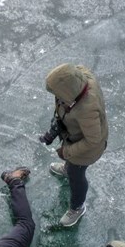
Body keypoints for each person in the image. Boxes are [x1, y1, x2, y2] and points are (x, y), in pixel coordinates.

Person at [42, 63, 108, 227]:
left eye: (58, 93)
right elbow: (79, 68)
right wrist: (55, 130)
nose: (56, 96)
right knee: (71, 166)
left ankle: (77, 207)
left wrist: (67, 151)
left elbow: (93, 140)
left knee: (76, 176)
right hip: (73, 135)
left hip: (88, 149)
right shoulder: (78, 82)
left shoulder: (87, 108)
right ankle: (67, 167)